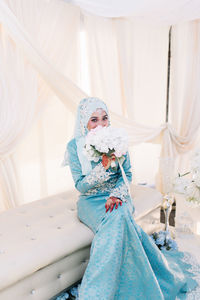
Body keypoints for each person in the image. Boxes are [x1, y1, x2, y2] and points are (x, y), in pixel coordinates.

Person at [64, 97, 198, 300]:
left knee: (119, 215)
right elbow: (80, 186)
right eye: (94, 119)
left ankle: (97, 294)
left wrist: (117, 194)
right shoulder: (75, 146)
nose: (100, 124)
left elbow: (126, 174)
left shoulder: (117, 139)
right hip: (90, 201)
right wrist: (103, 167)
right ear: (84, 121)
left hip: (118, 196)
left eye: (104, 118)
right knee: (119, 219)